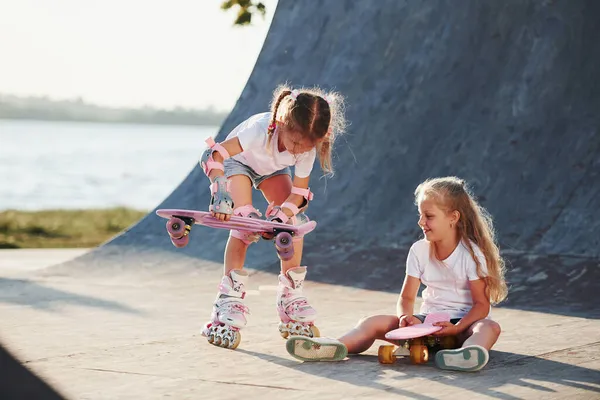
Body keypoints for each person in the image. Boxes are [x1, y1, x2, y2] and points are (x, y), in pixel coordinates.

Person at [286, 177, 508, 372]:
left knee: (488, 327)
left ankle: (467, 354)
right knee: (371, 322)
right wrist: (405, 318)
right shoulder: (419, 250)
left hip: (462, 328)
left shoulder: (471, 254)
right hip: (427, 326)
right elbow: (407, 298)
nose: (421, 222)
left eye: (428, 216)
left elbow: (481, 305)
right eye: (420, 215)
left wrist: (459, 327)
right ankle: (332, 346)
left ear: (453, 218)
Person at [198, 84, 347, 349]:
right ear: (280, 123)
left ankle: (290, 296)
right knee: (246, 224)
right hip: (239, 164)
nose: (299, 150)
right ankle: (228, 299)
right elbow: (213, 155)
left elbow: (299, 195)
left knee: (293, 227)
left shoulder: (307, 146)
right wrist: (220, 190)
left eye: (306, 146)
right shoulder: (258, 130)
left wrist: (280, 217)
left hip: (271, 172)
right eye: (295, 143)